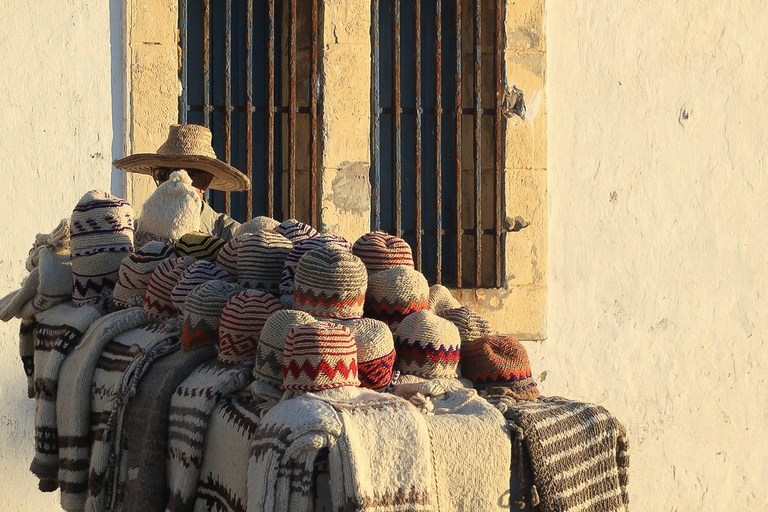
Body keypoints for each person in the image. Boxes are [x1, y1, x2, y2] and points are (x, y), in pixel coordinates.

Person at [113, 124, 250, 241]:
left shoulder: (231, 236)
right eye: (162, 173)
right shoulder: (136, 232)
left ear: (204, 182)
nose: (171, 181)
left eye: (182, 174)